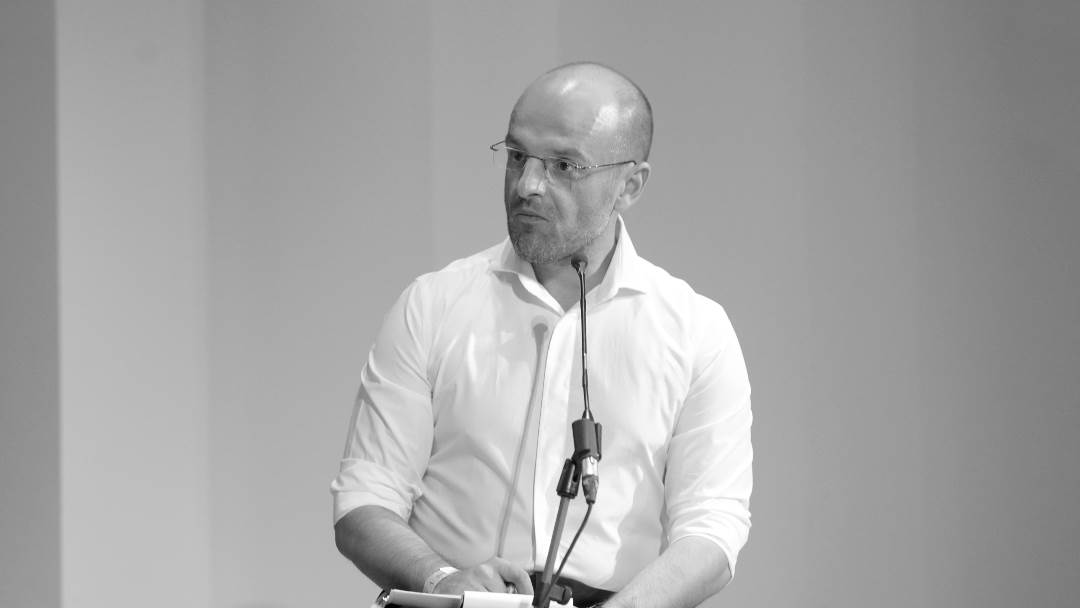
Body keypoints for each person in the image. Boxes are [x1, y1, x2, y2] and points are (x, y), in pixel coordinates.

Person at [331, 62, 752, 608]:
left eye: (563, 166)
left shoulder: (695, 331)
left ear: (630, 185)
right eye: (516, 156)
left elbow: (712, 526)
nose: (528, 185)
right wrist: (440, 579)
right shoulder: (432, 306)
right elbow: (364, 502)